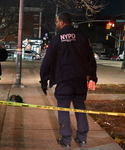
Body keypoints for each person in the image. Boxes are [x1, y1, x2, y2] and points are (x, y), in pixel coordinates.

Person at [40, 12, 97, 148]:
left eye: (56, 21)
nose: (56, 23)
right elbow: (91, 58)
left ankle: (66, 140)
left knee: (63, 109)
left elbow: (47, 62)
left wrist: (44, 80)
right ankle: (82, 138)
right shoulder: (82, 36)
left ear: (61, 22)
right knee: (80, 108)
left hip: (64, 80)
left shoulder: (57, 39)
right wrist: (93, 77)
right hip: (80, 80)